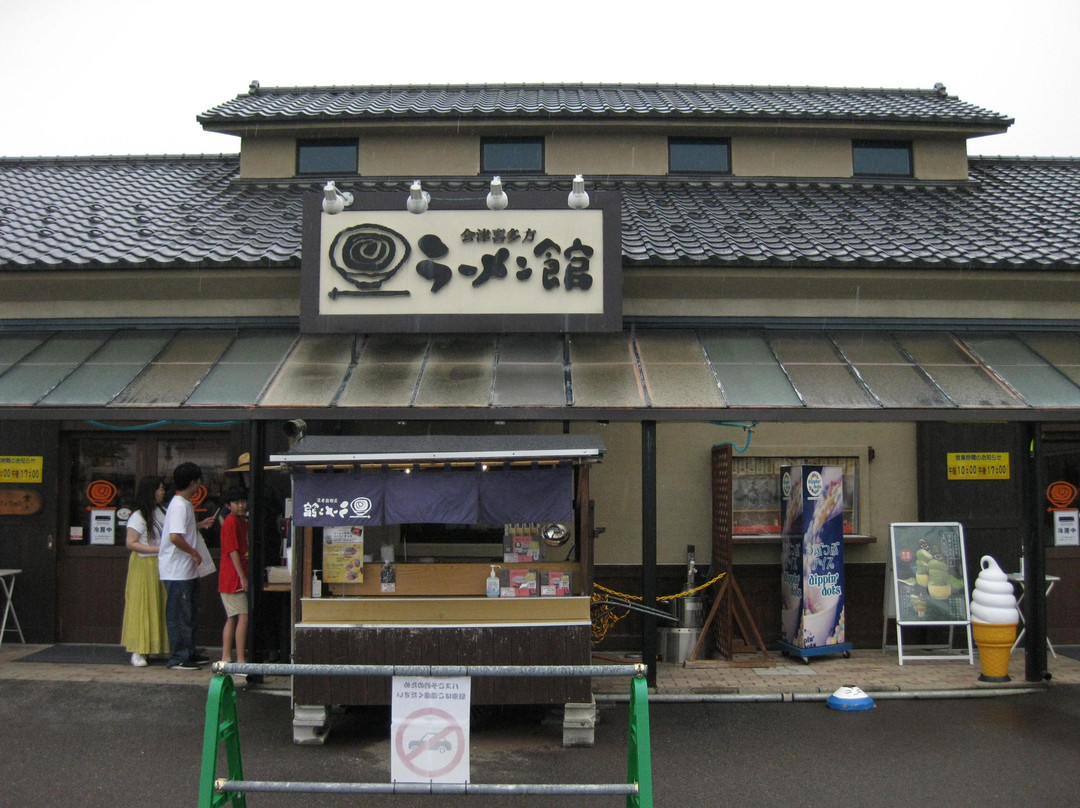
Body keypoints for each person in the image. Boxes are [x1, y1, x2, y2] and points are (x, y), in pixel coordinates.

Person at [159, 462, 215, 670]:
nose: (200, 484)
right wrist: (194, 552)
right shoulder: (180, 505)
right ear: (193, 482)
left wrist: (199, 525)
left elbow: (181, 531)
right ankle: (179, 657)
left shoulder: (183, 504)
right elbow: (175, 537)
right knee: (180, 615)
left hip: (184, 569)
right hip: (176, 570)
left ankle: (188, 652)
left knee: (189, 612)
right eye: (199, 480)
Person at [120, 476, 169, 667]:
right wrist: (156, 549)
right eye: (160, 489)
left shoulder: (162, 511)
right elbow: (131, 543)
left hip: (160, 563)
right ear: (151, 492)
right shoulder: (138, 516)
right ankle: (138, 650)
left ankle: (156, 647)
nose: (163, 492)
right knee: (142, 605)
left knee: (159, 604)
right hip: (144, 564)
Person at [218, 487, 250, 671]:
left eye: (243, 501)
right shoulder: (230, 522)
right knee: (242, 616)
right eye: (236, 502)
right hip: (233, 578)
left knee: (232, 617)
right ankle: (240, 659)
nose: (241, 505)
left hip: (232, 577)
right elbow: (232, 551)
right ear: (228, 505)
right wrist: (243, 577)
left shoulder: (241, 521)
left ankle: (227, 656)